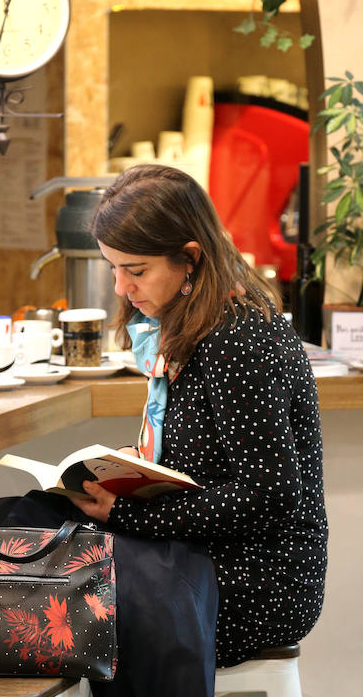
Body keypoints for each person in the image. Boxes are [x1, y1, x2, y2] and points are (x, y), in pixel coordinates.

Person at [72, 163, 328, 669]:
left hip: (259, 580)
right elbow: (205, 463)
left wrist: (130, 514)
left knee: (60, 605)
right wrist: (133, 469)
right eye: (112, 268)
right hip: (208, 556)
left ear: (190, 258)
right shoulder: (191, 325)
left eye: (136, 270)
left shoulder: (239, 341)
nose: (121, 288)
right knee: (39, 544)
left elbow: (270, 497)